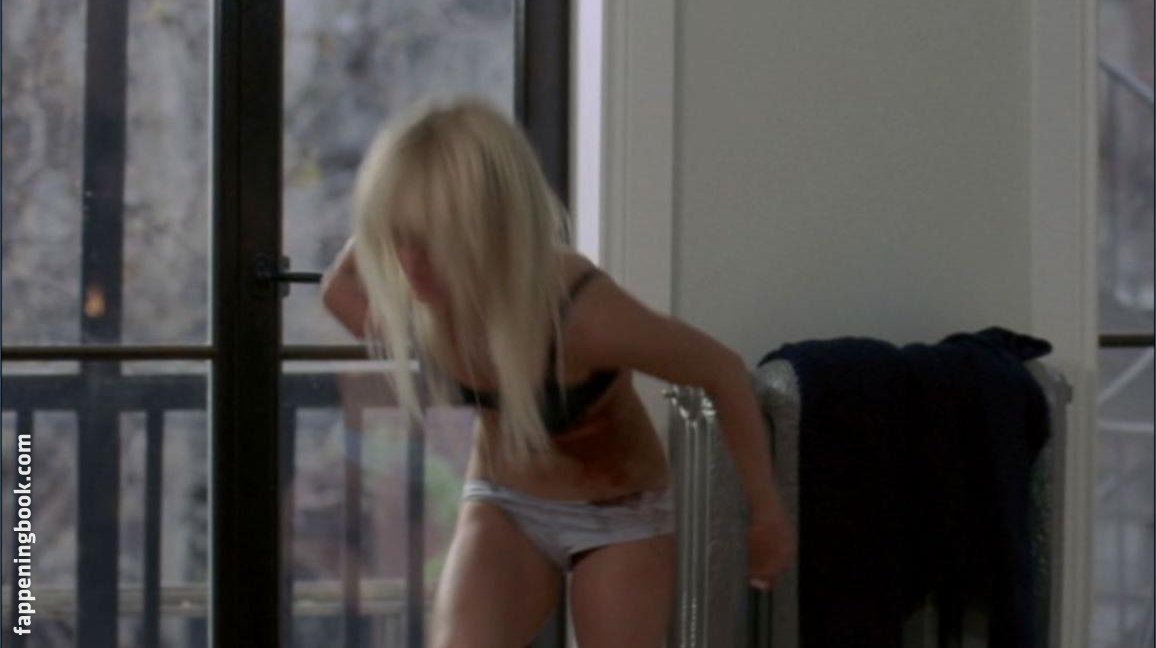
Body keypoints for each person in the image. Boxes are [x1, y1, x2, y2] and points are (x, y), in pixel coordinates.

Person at [321, 98, 794, 648]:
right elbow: (339, 290)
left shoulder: (583, 316)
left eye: (430, 242)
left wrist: (766, 513)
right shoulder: (426, 302)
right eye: (396, 237)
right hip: (505, 502)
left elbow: (722, 370)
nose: (409, 264)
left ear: (487, 230)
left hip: (618, 516)